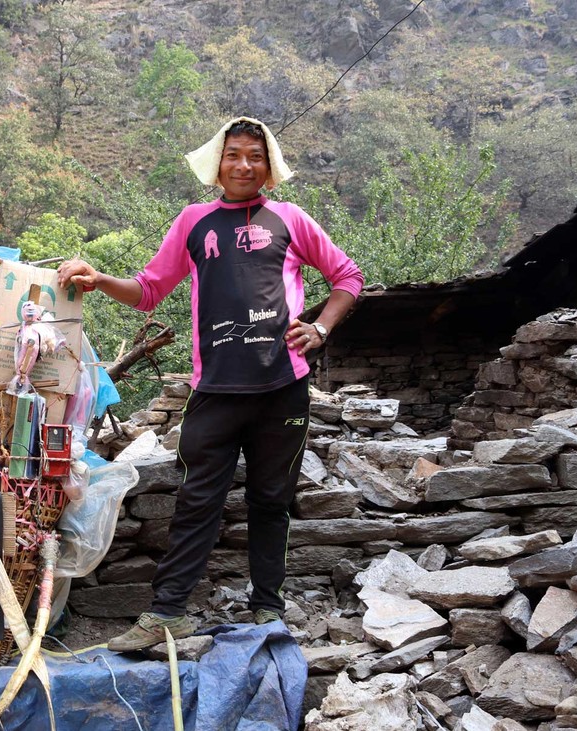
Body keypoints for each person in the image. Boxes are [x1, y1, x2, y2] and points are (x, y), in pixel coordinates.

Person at [57, 116, 364, 652]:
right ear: (217, 164)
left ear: (270, 166)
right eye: (233, 155)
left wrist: (320, 328)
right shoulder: (194, 222)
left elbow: (348, 277)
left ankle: (268, 607)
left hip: (283, 387)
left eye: (255, 156)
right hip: (215, 390)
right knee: (197, 501)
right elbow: (149, 290)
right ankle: (167, 614)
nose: (244, 166)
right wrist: (100, 279)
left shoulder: (290, 219)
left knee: (272, 500)